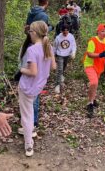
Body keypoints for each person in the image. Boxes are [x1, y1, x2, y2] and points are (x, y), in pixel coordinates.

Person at [18, 21, 56, 157]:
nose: (30, 34)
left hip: (27, 86)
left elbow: (32, 72)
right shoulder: (48, 47)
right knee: (29, 112)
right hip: (38, 86)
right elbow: (54, 67)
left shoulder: (32, 49)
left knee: (27, 115)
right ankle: (29, 130)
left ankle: (28, 144)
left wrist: (22, 69)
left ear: (34, 33)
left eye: (30, 32)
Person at [83, 23, 105, 118]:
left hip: (100, 66)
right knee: (94, 82)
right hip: (90, 64)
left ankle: (92, 98)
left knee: (95, 83)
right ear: (98, 32)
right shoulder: (93, 40)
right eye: (102, 31)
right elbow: (89, 54)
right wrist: (101, 55)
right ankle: (90, 103)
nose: (104, 33)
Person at [53, 24, 76, 94]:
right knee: (59, 69)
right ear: (61, 31)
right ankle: (57, 85)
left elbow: (73, 45)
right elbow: (54, 47)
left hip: (67, 54)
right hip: (60, 54)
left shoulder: (71, 36)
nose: (65, 33)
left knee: (64, 67)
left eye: (67, 31)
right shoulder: (58, 38)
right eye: (64, 31)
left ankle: (61, 75)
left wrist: (73, 52)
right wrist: (53, 55)